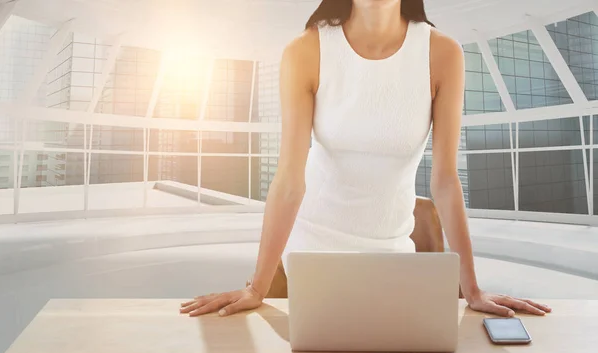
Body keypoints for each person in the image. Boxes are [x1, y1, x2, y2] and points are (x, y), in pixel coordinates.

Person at [181, 0, 552, 318]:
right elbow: (289, 181)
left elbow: (444, 181)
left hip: (392, 252)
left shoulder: (442, 54)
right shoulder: (306, 51)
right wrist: (256, 287)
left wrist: (472, 290)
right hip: (310, 254)